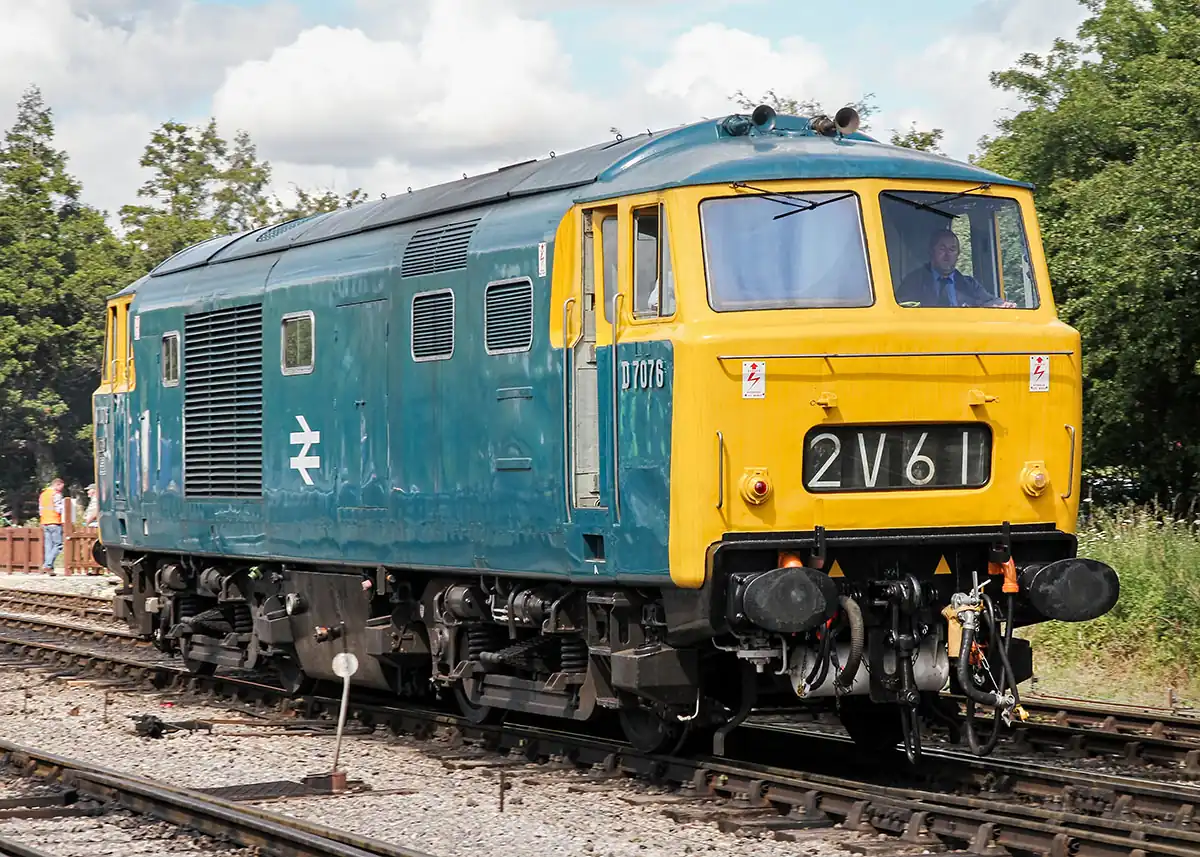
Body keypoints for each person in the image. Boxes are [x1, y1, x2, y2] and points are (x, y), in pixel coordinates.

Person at [896, 229, 1015, 308]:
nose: (947, 255)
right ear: (931, 251)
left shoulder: (969, 284)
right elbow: (900, 309)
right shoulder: (914, 281)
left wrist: (1003, 305)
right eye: (942, 249)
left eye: (952, 250)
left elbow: (989, 301)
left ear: (958, 254)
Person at [39, 478, 65, 574]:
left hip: (45, 522)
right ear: (57, 484)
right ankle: (47, 565)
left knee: (48, 546)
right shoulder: (56, 494)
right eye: (61, 487)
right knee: (58, 545)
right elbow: (59, 509)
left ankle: (49, 568)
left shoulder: (43, 494)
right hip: (55, 521)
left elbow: (41, 510)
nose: (61, 489)